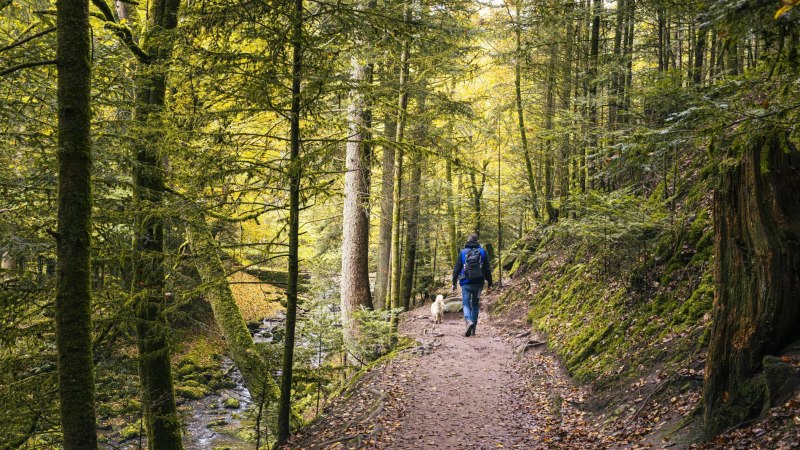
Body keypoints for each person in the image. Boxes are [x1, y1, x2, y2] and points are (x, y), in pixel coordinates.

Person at [452, 233, 492, 337]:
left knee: (466, 304)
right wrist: (490, 283)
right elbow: (487, 269)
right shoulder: (483, 252)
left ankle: (468, 321)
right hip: (478, 283)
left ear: (468, 241)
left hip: (465, 282)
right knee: (475, 304)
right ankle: (473, 328)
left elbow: (456, 268)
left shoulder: (462, 252)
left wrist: (454, 282)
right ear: (477, 241)